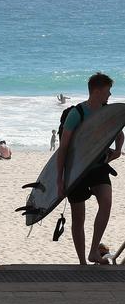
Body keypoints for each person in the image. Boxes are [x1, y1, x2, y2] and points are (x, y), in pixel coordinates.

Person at [58, 72, 123, 265]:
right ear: (96, 91)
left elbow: (119, 133)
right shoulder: (76, 114)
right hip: (75, 170)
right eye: (108, 91)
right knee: (78, 217)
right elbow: (63, 148)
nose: (110, 95)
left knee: (107, 202)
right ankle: (82, 262)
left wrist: (118, 151)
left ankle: (94, 251)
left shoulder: (106, 111)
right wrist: (59, 180)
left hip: (97, 165)